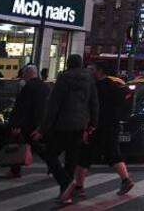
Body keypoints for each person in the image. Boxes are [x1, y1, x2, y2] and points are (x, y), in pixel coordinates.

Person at [31, 54, 99, 205]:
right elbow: (94, 103)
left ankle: (65, 183)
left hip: (63, 124)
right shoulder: (89, 79)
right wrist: (92, 123)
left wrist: (42, 129)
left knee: (50, 154)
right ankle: (65, 194)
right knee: (71, 159)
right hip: (81, 124)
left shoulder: (64, 78)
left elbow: (53, 105)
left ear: (68, 64)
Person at [71, 61, 134, 196]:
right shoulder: (114, 86)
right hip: (112, 126)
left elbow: (90, 108)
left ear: (100, 71)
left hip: (96, 127)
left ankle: (78, 186)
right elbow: (122, 104)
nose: (90, 71)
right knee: (113, 155)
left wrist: (88, 126)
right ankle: (126, 180)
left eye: (92, 69)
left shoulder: (95, 87)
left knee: (84, 156)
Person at [1, 65, 49, 179]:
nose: (23, 77)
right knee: (36, 146)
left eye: (24, 74)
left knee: (18, 144)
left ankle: (15, 169)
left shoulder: (28, 87)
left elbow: (22, 107)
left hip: (27, 122)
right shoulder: (45, 87)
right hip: (39, 122)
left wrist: (16, 124)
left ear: (28, 74)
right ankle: (52, 164)